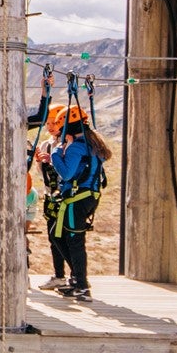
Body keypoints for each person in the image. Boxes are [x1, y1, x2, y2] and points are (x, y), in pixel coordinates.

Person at [44, 106, 112, 301]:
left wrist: (56, 153)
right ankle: (77, 280)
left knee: (73, 242)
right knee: (59, 236)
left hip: (76, 199)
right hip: (88, 197)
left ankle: (81, 284)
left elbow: (67, 173)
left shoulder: (76, 147)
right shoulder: (92, 144)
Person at [32, 105, 68, 289]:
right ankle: (59, 275)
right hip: (50, 196)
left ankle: (74, 276)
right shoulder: (46, 144)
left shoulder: (67, 145)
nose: (51, 127)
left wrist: (51, 161)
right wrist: (40, 162)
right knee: (54, 237)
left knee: (68, 238)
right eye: (48, 123)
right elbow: (42, 175)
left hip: (66, 197)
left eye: (54, 123)